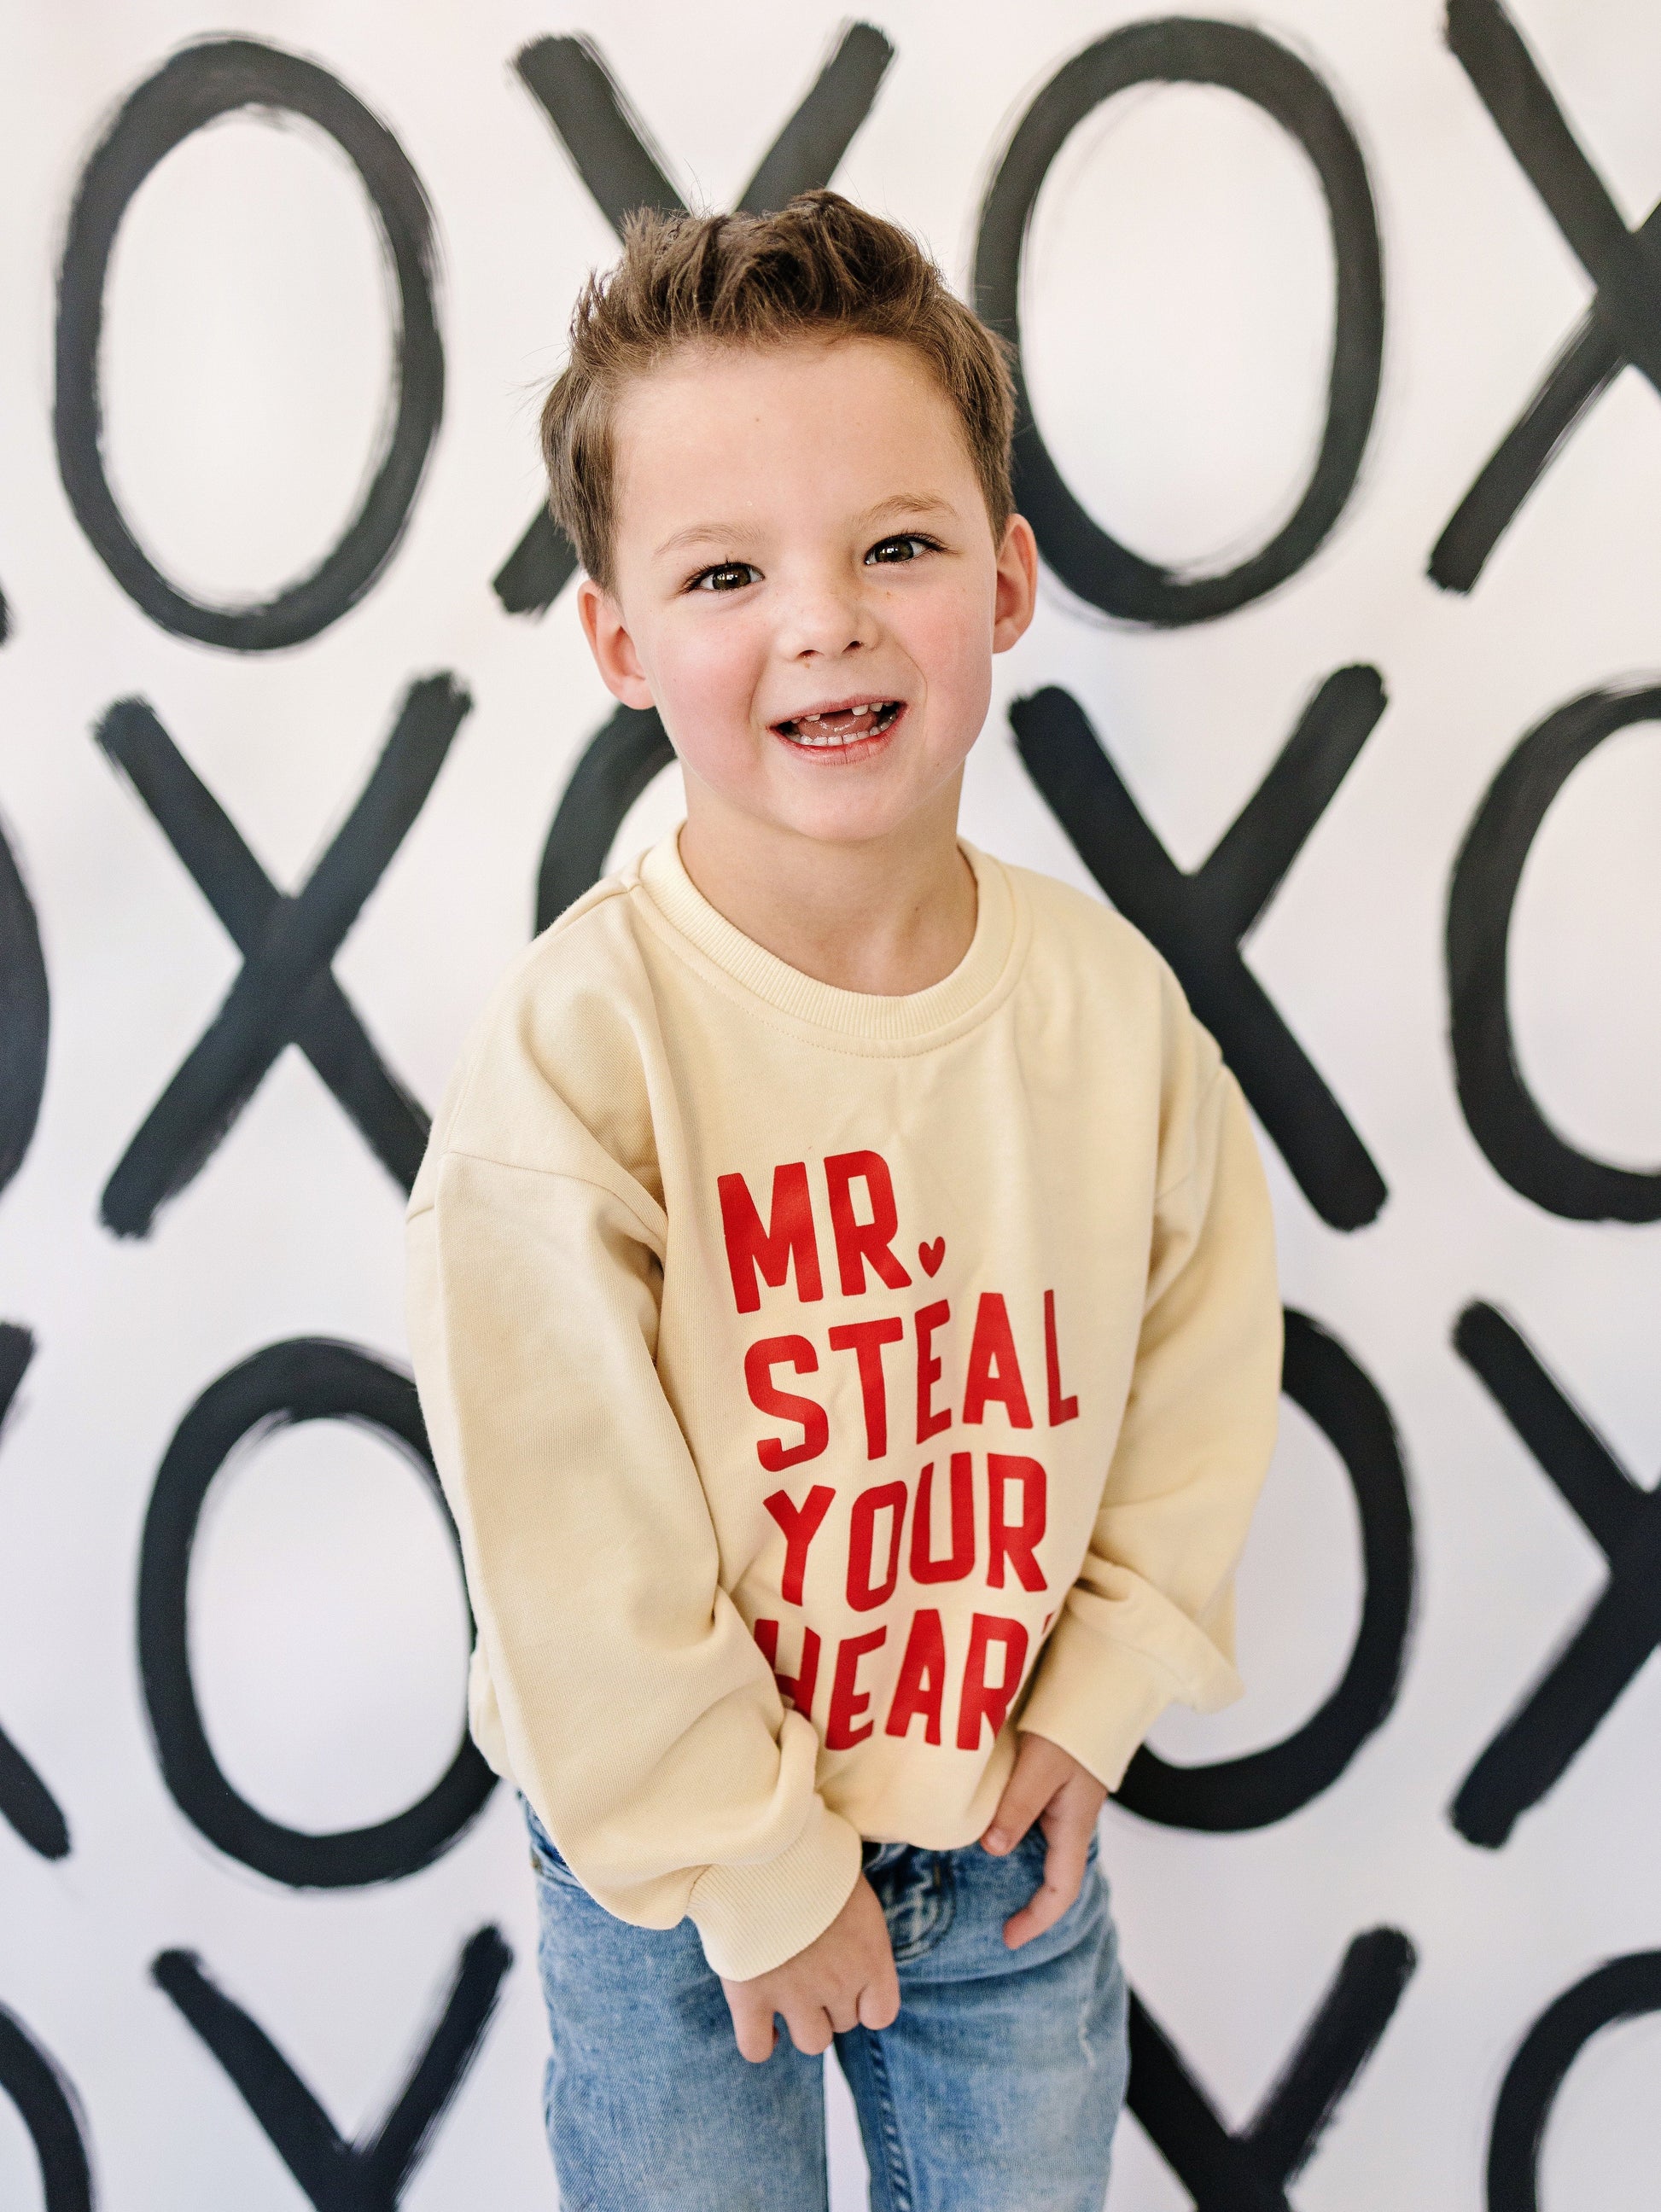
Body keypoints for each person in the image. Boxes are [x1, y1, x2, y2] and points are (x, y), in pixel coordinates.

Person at [405, 189, 1281, 2212]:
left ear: (1006, 578)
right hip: (672, 1870)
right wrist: (749, 1861)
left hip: (997, 1818)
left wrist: (1102, 1685)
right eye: (726, 572)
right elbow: (565, 1531)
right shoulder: (584, 1049)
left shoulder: (1105, 1012)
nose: (824, 620)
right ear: (620, 644)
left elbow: (1198, 1359)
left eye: (896, 545)